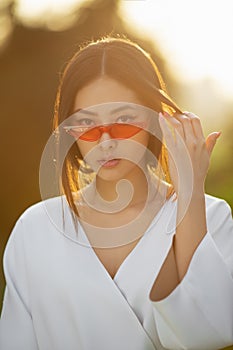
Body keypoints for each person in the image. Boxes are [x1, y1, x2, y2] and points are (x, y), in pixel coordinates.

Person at [0, 36, 233, 350]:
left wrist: (189, 194)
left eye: (124, 120)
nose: (106, 140)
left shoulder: (211, 216)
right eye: (86, 123)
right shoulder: (34, 230)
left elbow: (207, 334)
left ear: (156, 119)